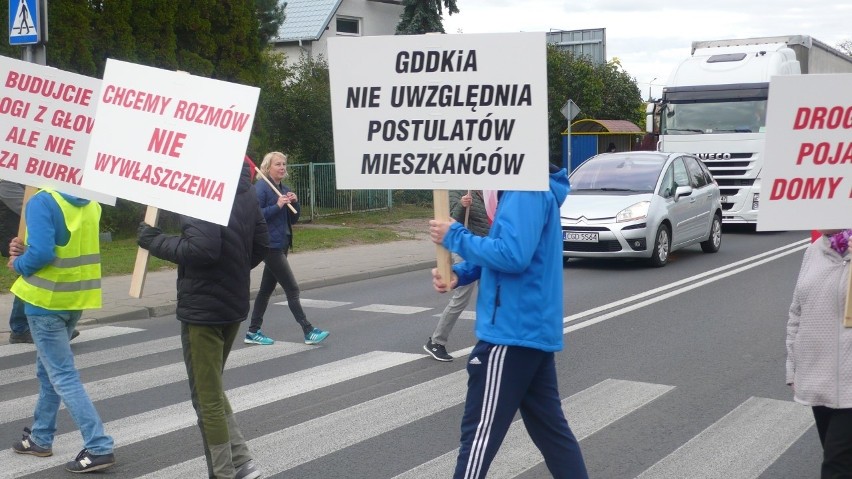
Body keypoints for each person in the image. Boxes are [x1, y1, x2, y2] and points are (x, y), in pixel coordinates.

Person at [428, 163, 589, 479]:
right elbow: (507, 251)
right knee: (553, 436)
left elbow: (513, 255)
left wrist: (455, 235)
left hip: (510, 332)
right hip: (527, 329)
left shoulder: (525, 187)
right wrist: (460, 273)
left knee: (478, 439)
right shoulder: (526, 183)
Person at [137, 158, 269, 479]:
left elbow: (203, 249)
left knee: (205, 397)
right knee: (210, 387)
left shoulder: (203, 190)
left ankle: (224, 472)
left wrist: (153, 241)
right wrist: (231, 271)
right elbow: (262, 245)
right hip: (231, 307)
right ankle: (242, 460)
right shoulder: (246, 190)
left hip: (204, 312)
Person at [7, 188, 115, 473]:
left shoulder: (42, 200)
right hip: (74, 300)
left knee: (62, 376)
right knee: (49, 372)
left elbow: (43, 251)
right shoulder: (91, 201)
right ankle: (41, 438)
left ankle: (99, 446)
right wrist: (24, 249)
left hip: (45, 302)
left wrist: (18, 262)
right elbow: (66, 244)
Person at [244, 151, 329, 346]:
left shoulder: (282, 188)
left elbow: (293, 218)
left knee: (266, 290)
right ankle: (308, 330)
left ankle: (252, 331)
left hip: (282, 244)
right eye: (278, 164)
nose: (282, 167)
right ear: (267, 167)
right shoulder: (262, 188)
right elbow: (255, 217)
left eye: (284, 164)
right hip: (269, 246)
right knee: (292, 288)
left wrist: (294, 202)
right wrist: (277, 205)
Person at [786, 228, 852, 478]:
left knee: (836, 466)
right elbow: (797, 313)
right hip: (819, 378)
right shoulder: (813, 251)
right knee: (840, 460)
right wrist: (793, 365)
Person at [1, 180, 79, 344]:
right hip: (16, 234)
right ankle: (20, 327)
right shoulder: (6, 182)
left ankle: (24, 326)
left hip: (29, 233)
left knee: (30, 275)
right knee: (28, 276)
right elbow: (27, 208)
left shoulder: (25, 180)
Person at [424, 190, 490, 361]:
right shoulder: (458, 190)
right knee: (461, 297)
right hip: (465, 249)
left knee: (490, 296)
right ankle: (436, 341)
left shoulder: (490, 191)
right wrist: (462, 205)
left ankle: (490, 342)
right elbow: (452, 221)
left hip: (486, 250)